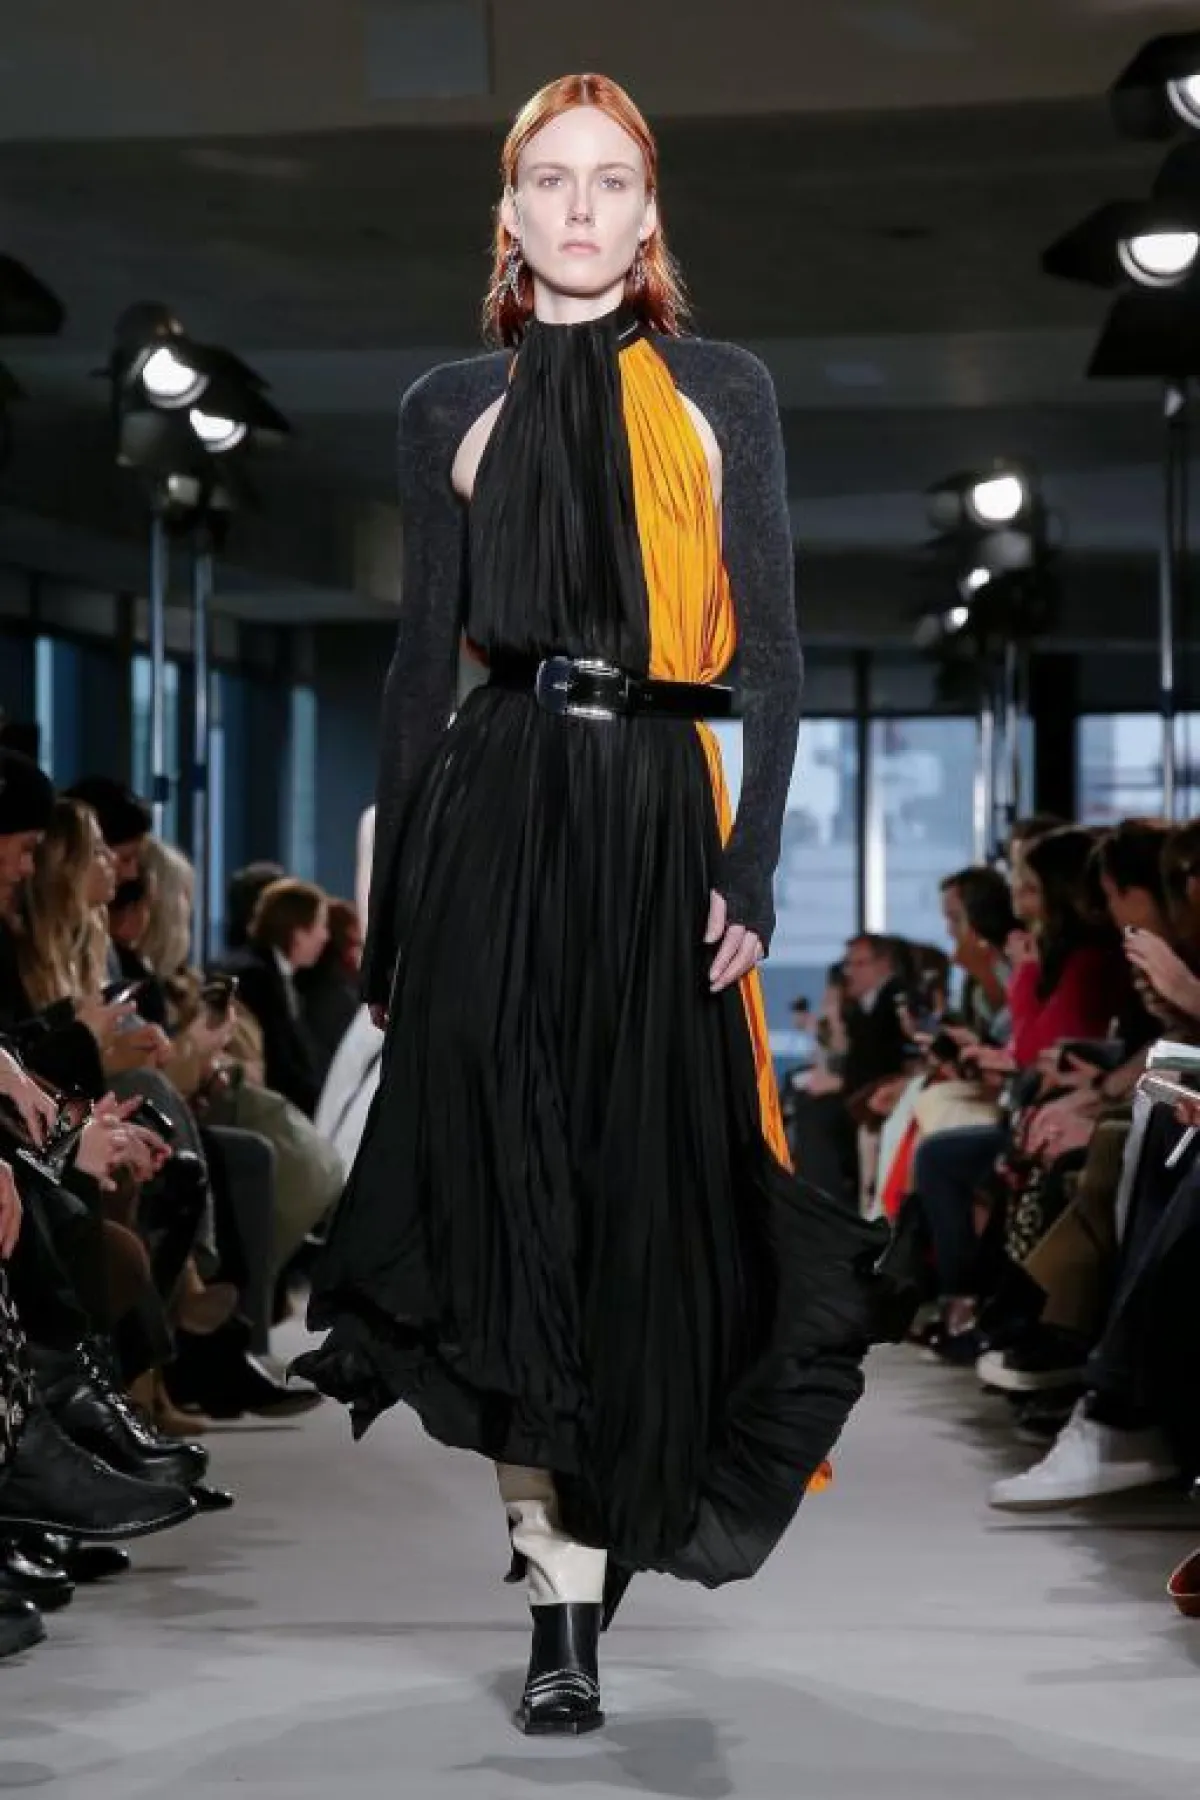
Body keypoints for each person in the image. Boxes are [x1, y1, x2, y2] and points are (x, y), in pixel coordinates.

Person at [294, 72, 898, 1738]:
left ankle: (609, 1508)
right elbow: (417, 675)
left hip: (654, 822)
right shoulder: (446, 406)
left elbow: (775, 652)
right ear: (507, 212)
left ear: (648, 214)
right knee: (514, 1201)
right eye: (548, 180)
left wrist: (751, 864)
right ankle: (557, 1599)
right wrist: (392, 916)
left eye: (609, 180)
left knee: (652, 1192)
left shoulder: (721, 391)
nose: (577, 206)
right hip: (494, 818)